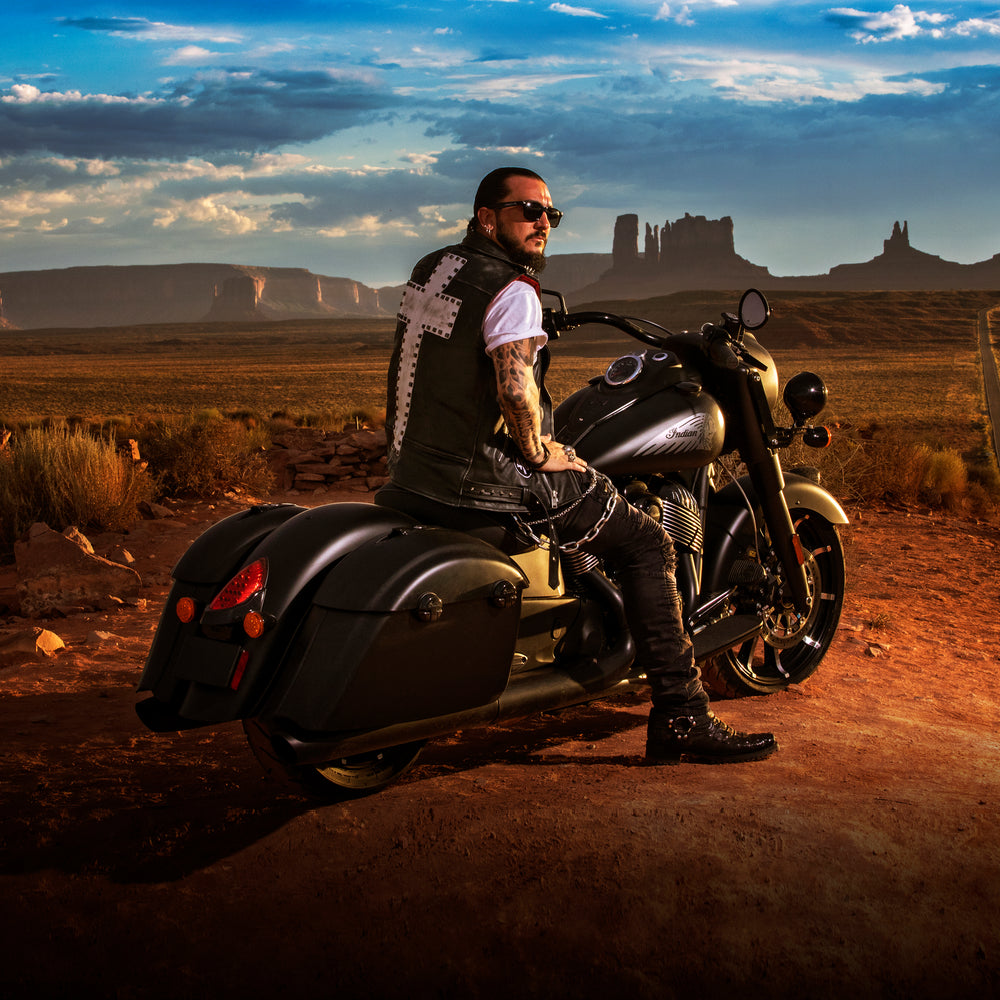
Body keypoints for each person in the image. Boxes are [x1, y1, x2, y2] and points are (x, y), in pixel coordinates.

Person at [376, 166, 777, 764]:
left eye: (551, 214)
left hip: (413, 472)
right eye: (527, 211)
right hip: (483, 486)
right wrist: (537, 451)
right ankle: (681, 713)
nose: (543, 222)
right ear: (487, 218)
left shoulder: (433, 269)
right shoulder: (513, 290)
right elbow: (515, 391)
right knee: (644, 543)